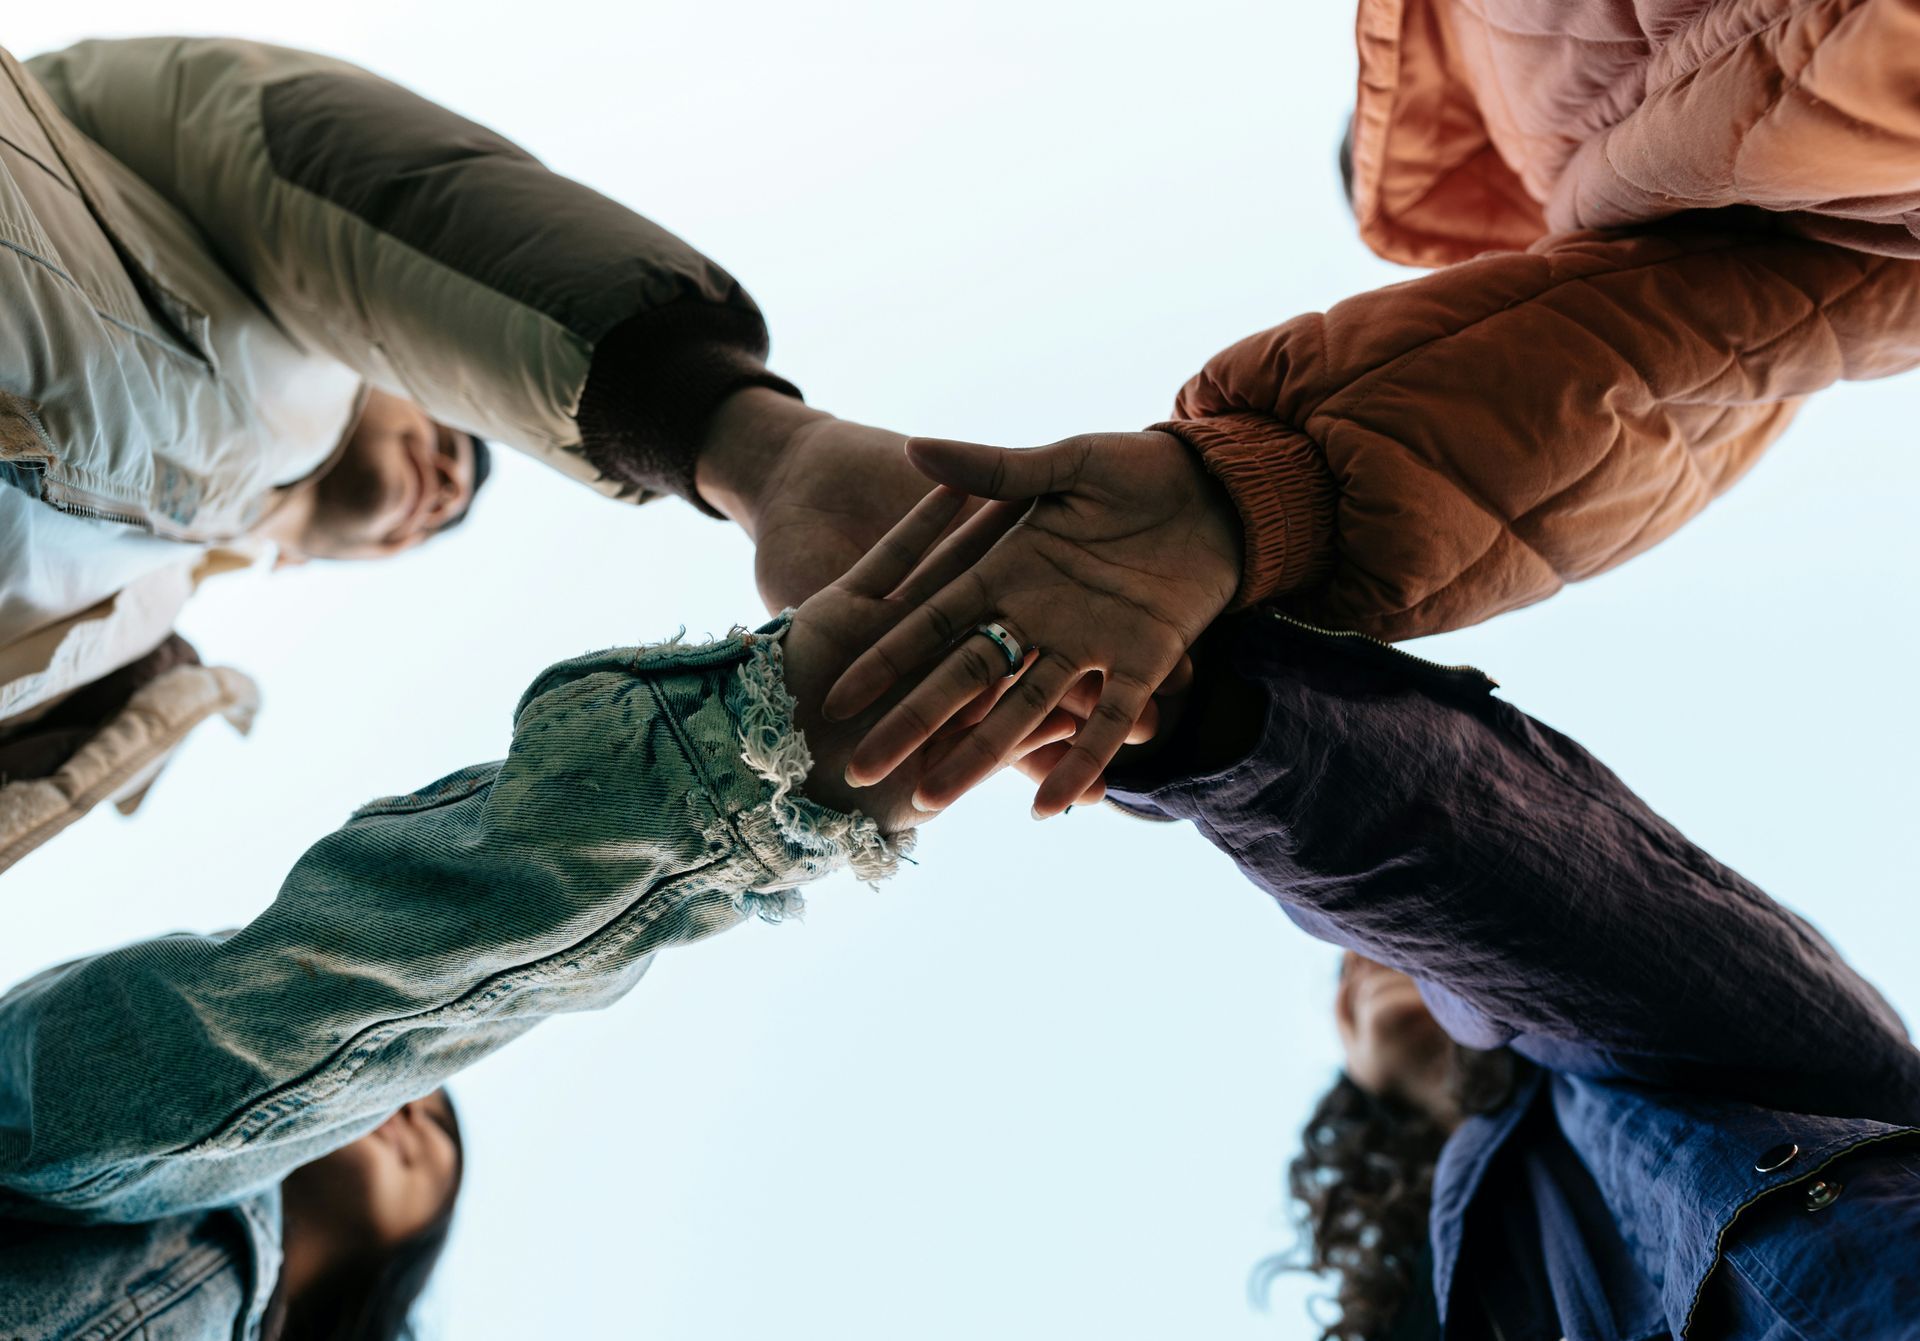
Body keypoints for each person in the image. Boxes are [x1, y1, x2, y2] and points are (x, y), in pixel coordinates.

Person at [0, 486, 1067, 1338]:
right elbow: (233, 1033)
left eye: (411, 1100)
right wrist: (754, 773)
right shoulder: (152, 1183)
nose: (417, 1108)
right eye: (414, 1087)